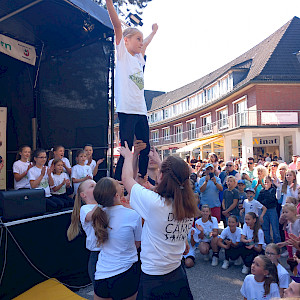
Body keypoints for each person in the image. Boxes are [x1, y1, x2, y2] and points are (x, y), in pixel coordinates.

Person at [120, 141, 198, 299]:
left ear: (161, 176)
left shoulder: (154, 203)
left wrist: (128, 156)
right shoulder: (188, 205)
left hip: (154, 278)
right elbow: (177, 180)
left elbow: (126, 178)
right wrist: (162, 162)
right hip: (177, 274)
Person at [105, 0, 158, 182]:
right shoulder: (123, 54)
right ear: (126, 40)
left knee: (144, 147)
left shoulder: (139, 59)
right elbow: (117, 26)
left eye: (141, 40)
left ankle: (142, 178)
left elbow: (147, 44)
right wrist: (109, 3)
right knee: (126, 148)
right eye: (138, 39)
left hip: (140, 110)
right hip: (127, 109)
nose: (141, 43)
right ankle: (117, 182)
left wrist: (153, 32)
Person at [92, 177, 142, 300]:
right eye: (117, 184)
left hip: (101, 274)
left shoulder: (98, 215)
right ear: (116, 195)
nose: (121, 184)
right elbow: (137, 243)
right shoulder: (133, 215)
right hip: (125, 272)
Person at [67, 179, 100, 286]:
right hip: (97, 254)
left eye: (96, 185)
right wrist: (103, 199)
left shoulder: (103, 205)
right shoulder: (85, 209)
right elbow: (91, 216)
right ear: (83, 195)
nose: (96, 187)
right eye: (92, 186)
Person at [257, 175, 281, 244]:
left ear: (271, 182)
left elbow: (273, 199)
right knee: (265, 228)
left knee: (275, 228)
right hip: (264, 211)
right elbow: (259, 201)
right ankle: (267, 243)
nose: (266, 183)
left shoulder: (273, 190)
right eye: (265, 182)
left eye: (268, 182)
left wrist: (265, 199)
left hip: (272, 210)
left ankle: (278, 243)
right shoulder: (262, 191)